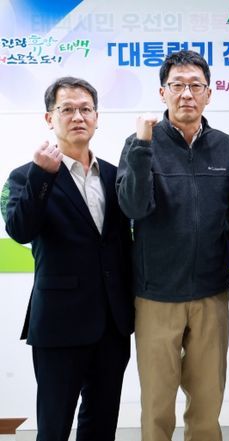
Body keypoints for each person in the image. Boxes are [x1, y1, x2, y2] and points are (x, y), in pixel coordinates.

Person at [116, 50, 229, 440]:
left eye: (195, 85)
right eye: (178, 85)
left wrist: (227, 257)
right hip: (156, 296)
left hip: (211, 294)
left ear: (209, 93)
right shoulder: (140, 144)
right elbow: (133, 207)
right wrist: (142, 145)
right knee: (157, 404)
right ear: (162, 92)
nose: (187, 94)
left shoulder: (226, 147)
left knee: (207, 404)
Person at [2, 77, 134, 441]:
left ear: (97, 117)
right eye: (67, 109)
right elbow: (20, 230)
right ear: (50, 118)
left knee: (101, 424)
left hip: (112, 323)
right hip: (59, 323)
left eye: (86, 109)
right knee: (54, 426)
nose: (78, 117)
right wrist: (42, 176)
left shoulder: (115, 175)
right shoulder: (25, 175)